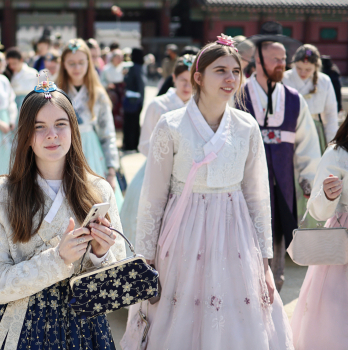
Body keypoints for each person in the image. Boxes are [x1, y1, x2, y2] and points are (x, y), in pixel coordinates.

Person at [123, 35, 293, 350]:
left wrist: (265, 262)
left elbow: (257, 197)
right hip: (182, 230)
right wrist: (145, 258)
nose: (230, 78)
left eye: (236, 71)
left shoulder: (246, 127)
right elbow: (153, 199)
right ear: (198, 77)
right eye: (220, 70)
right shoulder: (170, 125)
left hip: (234, 230)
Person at [0, 80, 124, 350]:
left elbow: (114, 289)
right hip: (13, 323)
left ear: (74, 129)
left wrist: (100, 255)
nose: (51, 135)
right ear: (26, 136)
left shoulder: (99, 190)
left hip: (82, 328)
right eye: (39, 127)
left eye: (60, 124)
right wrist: (58, 259)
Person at [238, 37, 320, 291]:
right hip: (244, 185)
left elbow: (307, 142)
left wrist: (308, 178)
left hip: (282, 182)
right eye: (275, 59)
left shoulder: (295, 100)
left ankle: (276, 280)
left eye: (284, 59)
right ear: (259, 61)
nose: (281, 64)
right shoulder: (239, 95)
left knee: (279, 229)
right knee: (244, 234)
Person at [290, 101, 348, 350]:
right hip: (344, 248)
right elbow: (316, 210)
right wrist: (327, 195)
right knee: (337, 321)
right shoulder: (339, 153)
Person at [118, 55, 193, 251]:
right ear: (174, 79)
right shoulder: (159, 105)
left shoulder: (200, 106)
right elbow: (144, 144)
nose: (187, 86)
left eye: (192, 81)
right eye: (183, 80)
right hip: (155, 171)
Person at [56, 38, 124, 208]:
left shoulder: (98, 94)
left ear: (89, 62)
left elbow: (107, 134)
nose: (77, 68)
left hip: (92, 154)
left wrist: (111, 170)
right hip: (62, 152)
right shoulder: (56, 94)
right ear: (63, 64)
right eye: (71, 63)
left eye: (81, 62)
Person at [283, 44, 338, 151]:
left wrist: (331, 142)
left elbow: (330, 114)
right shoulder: (285, 78)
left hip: (315, 129)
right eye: (299, 68)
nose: (303, 72)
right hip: (289, 128)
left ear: (316, 67)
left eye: (308, 69)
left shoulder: (324, 81)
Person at [121, 48, 146, 152]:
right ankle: (134, 144)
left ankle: (130, 145)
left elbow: (135, 83)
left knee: (130, 123)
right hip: (138, 100)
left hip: (133, 101)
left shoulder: (134, 68)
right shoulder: (140, 67)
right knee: (135, 123)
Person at [4, 47, 39, 111]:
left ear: (21, 60)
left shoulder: (32, 73)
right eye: (10, 64)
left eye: (14, 63)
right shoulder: (8, 73)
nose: (12, 66)